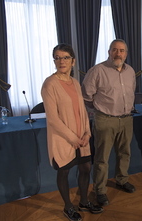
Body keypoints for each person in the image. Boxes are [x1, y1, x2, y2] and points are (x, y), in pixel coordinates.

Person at [41, 43, 103, 221]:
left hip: (81, 138)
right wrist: (73, 138)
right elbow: (52, 119)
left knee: (85, 168)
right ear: (54, 61)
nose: (61, 61)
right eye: (57, 57)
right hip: (63, 139)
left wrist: (86, 133)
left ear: (73, 61)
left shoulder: (75, 82)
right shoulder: (49, 84)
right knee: (64, 171)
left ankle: (83, 202)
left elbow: (82, 111)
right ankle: (68, 207)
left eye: (65, 57)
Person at [82, 39, 136, 206]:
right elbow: (86, 96)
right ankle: (100, 190)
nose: (118, 53)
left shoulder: (131, 71)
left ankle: (121, 180)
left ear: (126, 54)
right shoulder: (97, 70)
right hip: (105, 120)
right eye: (114, 50)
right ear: (109, 52)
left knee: (124, 154)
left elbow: (131, 92)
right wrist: (101, 109)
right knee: (102, 158)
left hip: (126, 119)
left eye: (121, 50)